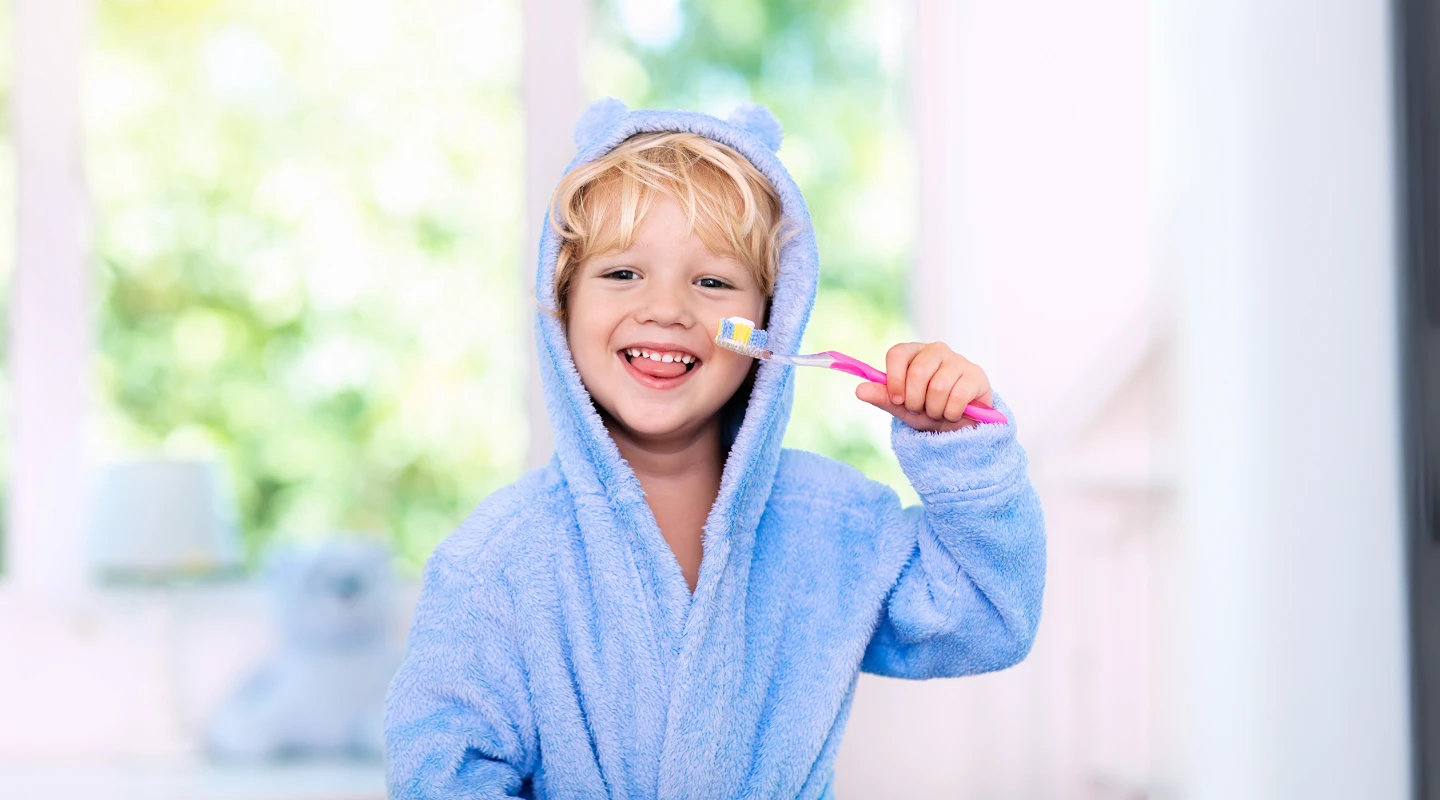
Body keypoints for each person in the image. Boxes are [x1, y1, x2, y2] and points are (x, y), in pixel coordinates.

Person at [384, 98, 1046, 799]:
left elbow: (986, 617)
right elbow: (441, 772)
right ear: (562, 301)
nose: (668, 309)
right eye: (622, 273)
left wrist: (961, 453)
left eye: (712, 281)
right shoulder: (499, 564)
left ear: (771, 320)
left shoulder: (834, 527)